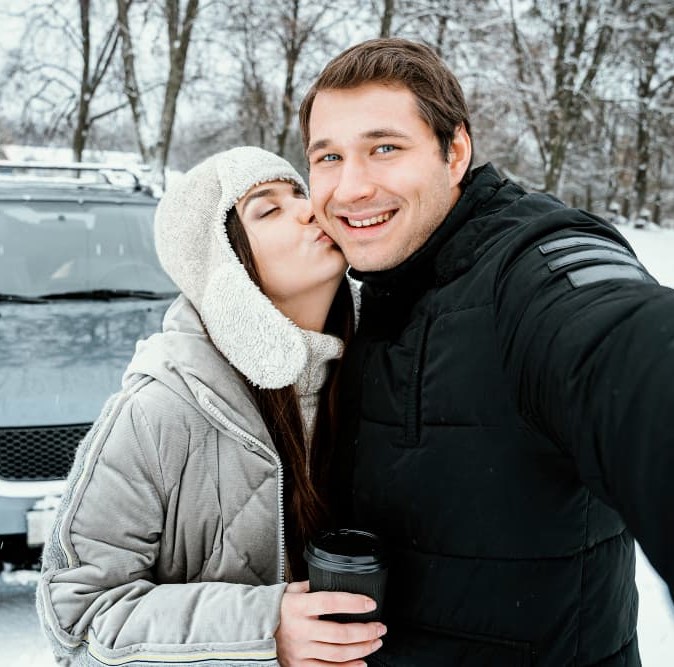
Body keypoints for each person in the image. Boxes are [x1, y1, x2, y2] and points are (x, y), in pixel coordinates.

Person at [298, 38, 674, 666]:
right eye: (329, 156)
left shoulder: (534, 265)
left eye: (385, 148)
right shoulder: (357, 292)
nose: (351, 187)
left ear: (455, 153)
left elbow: (625, 350)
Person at [36, 146, 387, 667]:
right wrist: (262, 632)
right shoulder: (157, 412)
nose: (311, 208)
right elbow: (78, 620)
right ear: (225, 263)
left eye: (300, 192)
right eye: (269, 209)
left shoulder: (386, 375)